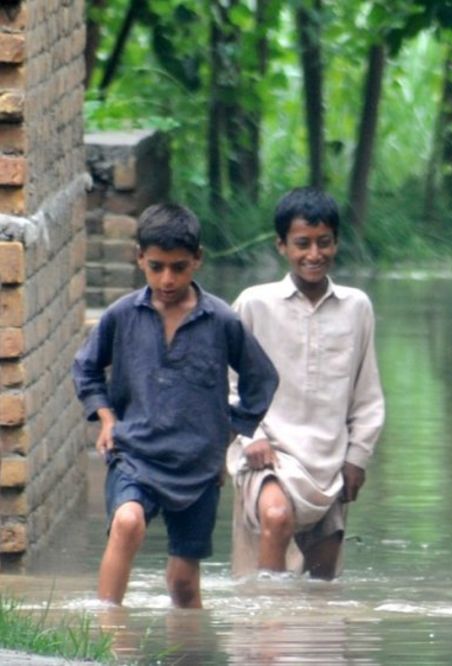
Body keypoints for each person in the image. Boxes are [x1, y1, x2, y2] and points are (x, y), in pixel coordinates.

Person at [73, 203, 279, 608]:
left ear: (197, 260)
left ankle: (188, 648)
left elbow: (262, 379)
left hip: (197, 466)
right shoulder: (121, 315)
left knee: (184, 583)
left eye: (179, 267)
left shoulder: (221, 320)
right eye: (157, 267)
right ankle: (104, 633)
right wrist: (107, 417)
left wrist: (228, 432)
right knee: (127, 522)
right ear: (140, 260)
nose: (167, 279)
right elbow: (86, 368)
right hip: (135, 451)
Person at [226, 187, 385, 579]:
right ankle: (268, 627)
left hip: (330, 459)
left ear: (337, 243)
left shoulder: (356, 307)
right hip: (269, 451)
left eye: (324, 243)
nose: (314, 254)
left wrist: (357, 458)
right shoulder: (253, 304)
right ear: (282, 246)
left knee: (322, 580)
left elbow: (367, 394)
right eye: (302, 244)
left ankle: (313, 639)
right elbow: (227, 382)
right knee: (275, 517)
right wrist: (251, 437)